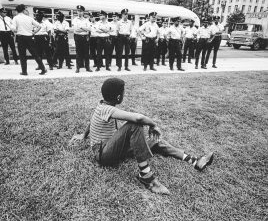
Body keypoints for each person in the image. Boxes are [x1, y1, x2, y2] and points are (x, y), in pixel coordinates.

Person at [71, 77, 214, 195]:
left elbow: (92, 120)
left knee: (154, 141)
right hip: (103, 154)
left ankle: (195, 161)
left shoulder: (103, 106)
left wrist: (84, 135)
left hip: (113, 148)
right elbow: (138, 118)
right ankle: (146, 177)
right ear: (119, 97)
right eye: (124, 92)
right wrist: (153, 125)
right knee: (134, 124)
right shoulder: (105, 108)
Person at [12, 4, 47, 75]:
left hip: (21, 37)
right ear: (23, 10)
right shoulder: (29, 18)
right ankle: (43, 69)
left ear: (17, 11)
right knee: (35, 54)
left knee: (22, 55)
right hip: (29, 37)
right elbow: (39, 26)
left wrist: (15, 31)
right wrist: (34, 33)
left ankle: (24, 71)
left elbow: (13, 28)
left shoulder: (15, 18)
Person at [72, 5, 92, 73]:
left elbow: (89, 29)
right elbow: (75, 30)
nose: (79, 12)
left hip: (85, 38)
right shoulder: (74, 20)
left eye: (80, 11)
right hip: (78, 37)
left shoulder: (86, 20)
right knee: (78, 53)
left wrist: (81, 28)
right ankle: (77, 68)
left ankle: (87, 67)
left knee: (86, 53)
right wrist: (84, 29)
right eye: (78, 11)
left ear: (83, 12)